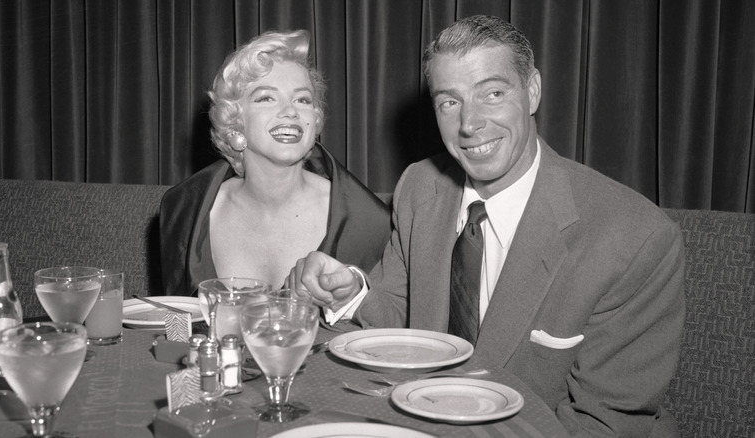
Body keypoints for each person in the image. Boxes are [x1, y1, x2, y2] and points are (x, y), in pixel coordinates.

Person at [288, 15, 685, 437]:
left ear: (532, 91)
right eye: (449, 102)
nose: (469, 123)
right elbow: (401, 320)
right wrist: (352, 293)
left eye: (492, 93)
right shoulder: (421, 187)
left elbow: (605, 424)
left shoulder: (635, 238)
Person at [159, 30, 390, 295]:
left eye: (302, 99)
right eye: (266, 97)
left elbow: (385, 321)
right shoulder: (184, 211)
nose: (291, 111)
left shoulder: (367, 221)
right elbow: (176, 324)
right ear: (235, 122)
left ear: (314, 121)